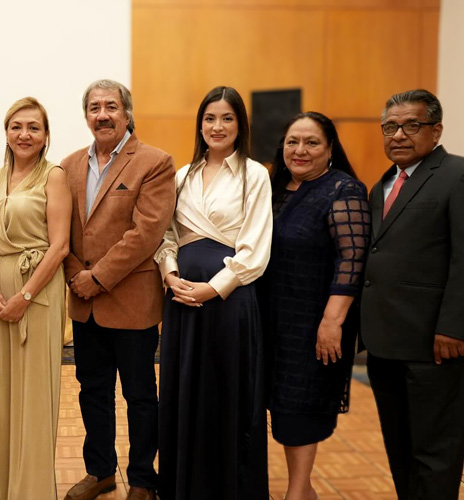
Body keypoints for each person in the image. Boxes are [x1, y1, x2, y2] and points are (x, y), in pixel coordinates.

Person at [154, 86, 272, 500]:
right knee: (182, 392)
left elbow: (255, 248)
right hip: (181, 301)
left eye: (227, 118)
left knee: (225, 395)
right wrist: (170, 275)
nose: (217, 126)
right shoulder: (182, 175)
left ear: (240, 125)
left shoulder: (255, 175)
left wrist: (212, 289)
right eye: (210, 118)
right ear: (200, 124)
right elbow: (166, 234)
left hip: (228, 301)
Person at [62, 80, 175, 500]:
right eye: (94, 107)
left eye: (111, 106)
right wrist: (75, 274)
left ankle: (143, 478)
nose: (102, 114)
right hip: (84, 303)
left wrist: (97, 278)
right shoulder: (69, 166)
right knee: (93, 392)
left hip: (132, 303)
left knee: (140, 395)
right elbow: (62, 231)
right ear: (86, 116)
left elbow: (146, 233)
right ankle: (100, 472)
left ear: (127, 113)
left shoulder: (154, 163)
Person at [361, 89, 464, 500]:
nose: (398, 135)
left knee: (435, 453)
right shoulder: (382, 185)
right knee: (400, 448)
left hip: (434, 345)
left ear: (435, 131)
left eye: (411, 125)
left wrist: (454, 327)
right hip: (385, 346)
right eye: (390, 127)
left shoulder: (456, 175)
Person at [262, 112, 370, 500]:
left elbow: (352, 259)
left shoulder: (343, 189)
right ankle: (304, 491)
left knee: (301, 410)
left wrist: (332, 322)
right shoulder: (273, 188)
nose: (300, 150)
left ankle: (296, 493)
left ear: (330, 149)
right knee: (280, 410)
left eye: (312, 142)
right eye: (293, 141)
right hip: (270, 320)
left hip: (313, 323)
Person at [0, 97, 71, 499]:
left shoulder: (54, 176)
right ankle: (1, 490)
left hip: (37, 291)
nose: (24, 134)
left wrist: (25, 294)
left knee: (33, 397)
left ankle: (31, 491)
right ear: (6, 132)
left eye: (33, 127)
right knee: (1, 395)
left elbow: (60, 245)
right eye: (16, 126)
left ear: (46, 136)